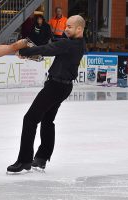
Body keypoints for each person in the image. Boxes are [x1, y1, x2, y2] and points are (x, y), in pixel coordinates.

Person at [7, 15, 86, 173]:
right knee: (47, 121)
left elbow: (47, 49)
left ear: (79, 29)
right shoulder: (78, 44)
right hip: (63, 87)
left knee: (30, 119)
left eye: (69, 26)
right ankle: (42, 158)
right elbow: (53, 48)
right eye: (66, 26)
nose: (65, 28)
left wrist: (26, 50)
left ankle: (24, 160)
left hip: (55, 87)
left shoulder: (68, 44)